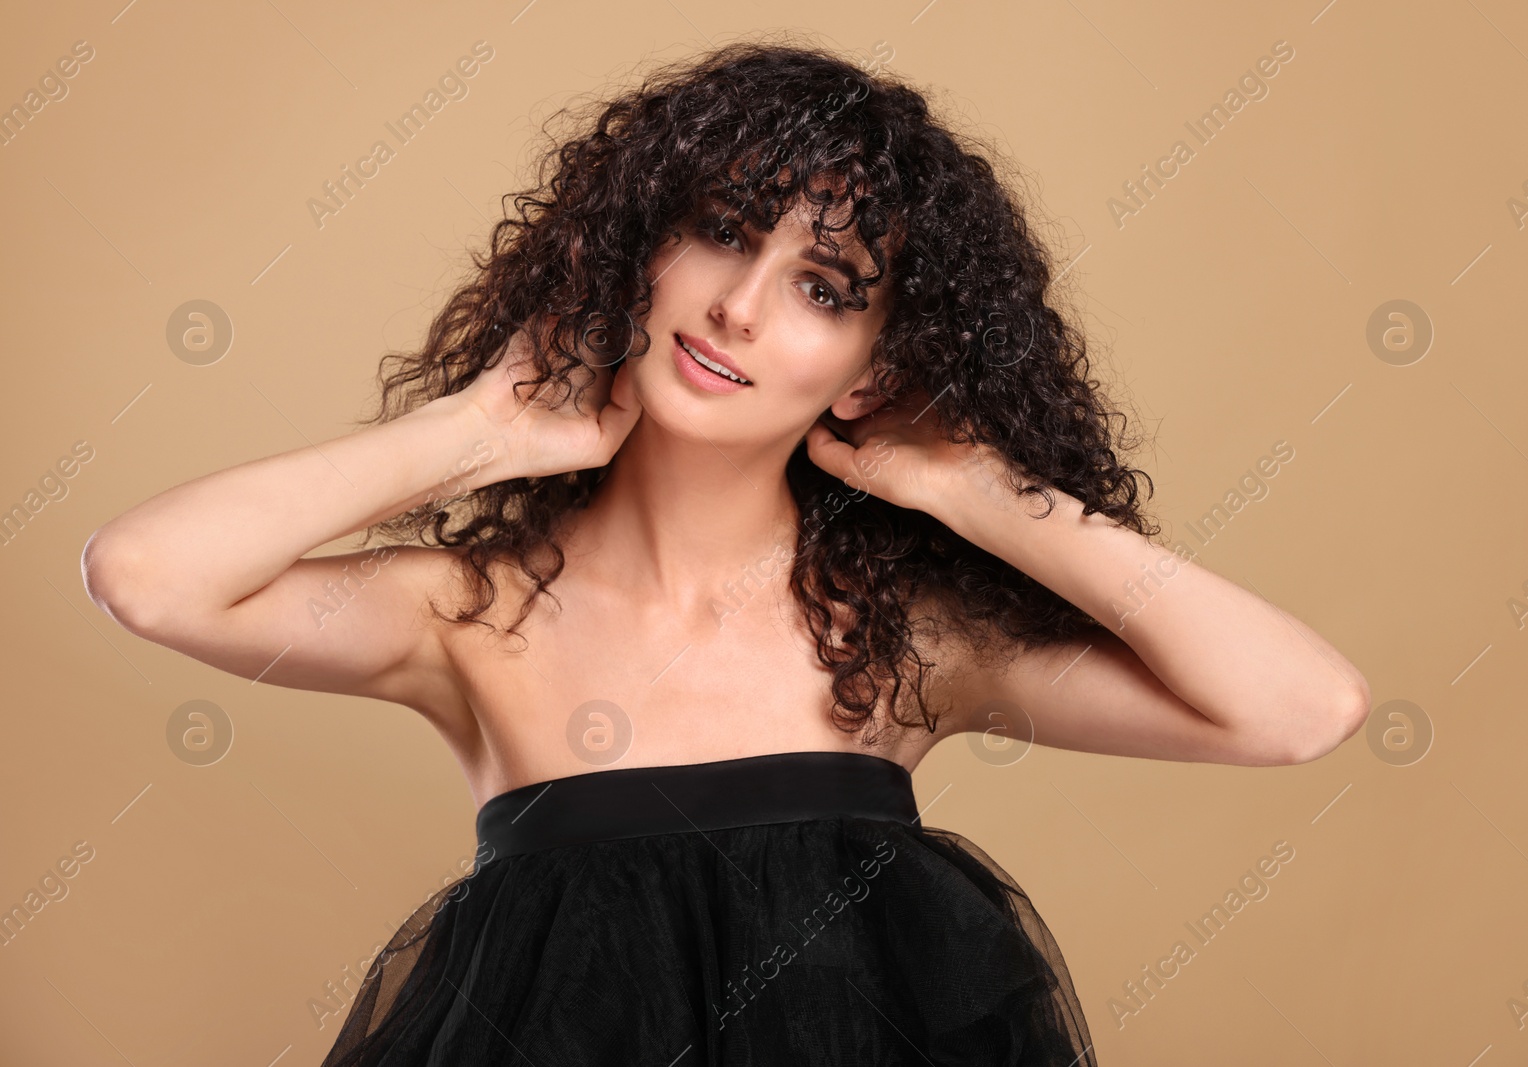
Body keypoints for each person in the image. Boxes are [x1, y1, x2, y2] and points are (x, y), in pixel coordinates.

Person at [81, 37, 1369, 1066]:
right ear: (642, 246)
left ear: (878, 364)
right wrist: (477, 430)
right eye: (723, 231)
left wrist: (978, 490)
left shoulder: (907, 639)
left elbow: (1300, 707)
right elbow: (148, 574)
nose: (739, 309)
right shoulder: (466, 615)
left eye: (827, 288)